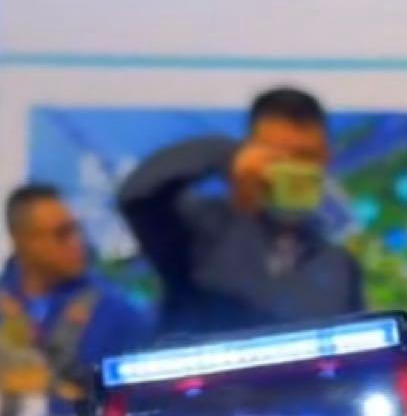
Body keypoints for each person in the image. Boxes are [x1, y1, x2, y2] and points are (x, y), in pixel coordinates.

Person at [117, 87, 364, 336]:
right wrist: (225, 155)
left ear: (325, 158)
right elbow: (137, 195)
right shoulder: (200, 229)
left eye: (306, 157)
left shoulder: (339, 266)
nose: (292, 170)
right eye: (276, 157)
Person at [0, 183, 154, 392]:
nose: (76, 242)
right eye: (62, 233)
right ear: (22, 239)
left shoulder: (117, 314)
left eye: (76, 230)